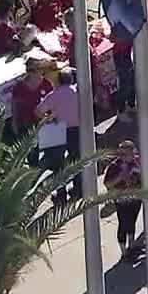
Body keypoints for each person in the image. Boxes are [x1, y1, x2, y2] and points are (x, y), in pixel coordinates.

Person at [37, 68, 82, 204]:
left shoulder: (53, 95)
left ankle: (61, 194)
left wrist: (49, 118)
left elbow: (38, 111)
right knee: (76, 160)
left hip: (57, 129)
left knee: (58, 164)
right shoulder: (77, 92)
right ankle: (78, 188)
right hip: (75, 129)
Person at [105, 141, 144, 261]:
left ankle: (132, 245)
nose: (132, 155)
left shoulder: (136, 163)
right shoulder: (114, 166)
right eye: (129, 153)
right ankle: (124, 252)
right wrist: (120, 177)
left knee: (132, 221)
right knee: (123, 223)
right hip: (122, 200)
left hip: (135, 197)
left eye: (132, 152)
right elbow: (107, 183)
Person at [11, 60, 54, 141]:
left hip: (44, 122)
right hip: (26, 123)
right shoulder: (19, 87)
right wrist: (14, 123)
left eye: (38, 69)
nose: (32, 73)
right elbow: (15, 106)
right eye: (30, 70)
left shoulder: (47, 84)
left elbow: (53, 102)